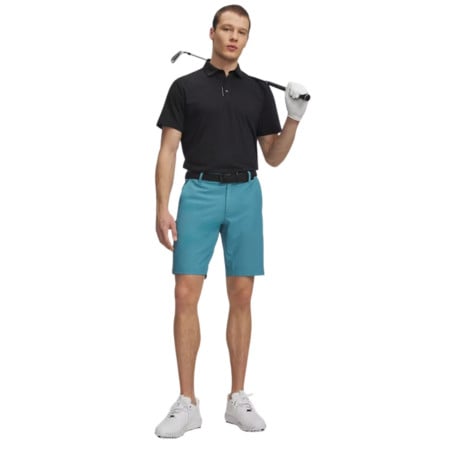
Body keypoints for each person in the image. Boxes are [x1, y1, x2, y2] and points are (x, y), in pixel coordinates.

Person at [154, 4, 309, 438]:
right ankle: (187, 402)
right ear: (212, 33)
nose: (233, 37)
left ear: (246, 38)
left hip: (245, 194)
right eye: (226, 28)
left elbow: (273, 156)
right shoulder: (184, 87)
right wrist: (162, 207)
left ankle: (237, 398)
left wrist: (293, 118)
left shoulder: (258, 91)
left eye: (241, 31)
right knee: (185, 293)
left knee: (242, 295)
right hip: (198, 193)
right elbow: (168, 150)